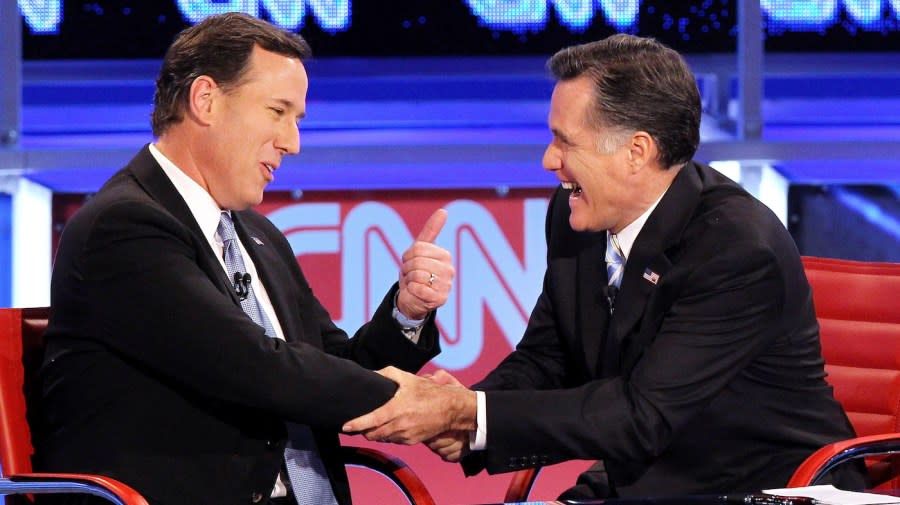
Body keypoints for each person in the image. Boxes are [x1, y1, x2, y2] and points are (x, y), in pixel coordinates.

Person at [342, 34, 865, 499]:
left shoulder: (737, 248)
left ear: (636, 151)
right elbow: (549, 360)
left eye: (565, 142)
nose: (549, 161)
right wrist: (468, 412)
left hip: (763, 487)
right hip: (641, 480)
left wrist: (466, 415)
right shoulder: (574, 217)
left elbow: (643, 415)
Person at [35, 12, 454, 505]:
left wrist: (407, 314)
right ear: (206, 100)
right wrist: (413, 401)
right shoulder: (123, 228)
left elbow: (333, 365)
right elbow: (257, 369)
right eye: (278, 112)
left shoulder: (256, 235)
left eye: (296, 120)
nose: (292, 143)